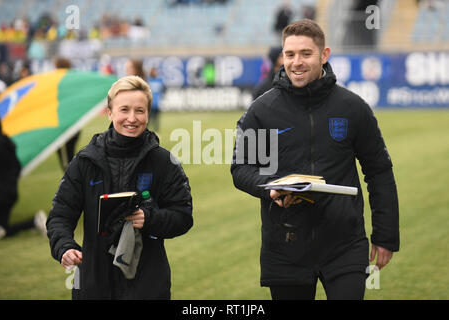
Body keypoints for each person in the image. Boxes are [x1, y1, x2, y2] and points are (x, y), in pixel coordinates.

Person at [231, 19, 399, 300]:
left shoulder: (352, 107)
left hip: (344, 243)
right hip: (284, 244)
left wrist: (385, 236)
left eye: (306, 54)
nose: (296, 62)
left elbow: (379, 171)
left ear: (324, 55)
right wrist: (271, 187)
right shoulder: (262, 111)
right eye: (290, 54)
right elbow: (241, 168)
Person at [46, 75, 193, 299]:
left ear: (148, 114)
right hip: (94, 284)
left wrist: (150, 219)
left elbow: (183, 216)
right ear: (110, 112)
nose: (132, 118)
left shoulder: (164, 162)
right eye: (124, 109)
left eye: (140, 111)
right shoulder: (85, 161)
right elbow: (60, 215)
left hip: (148, 285)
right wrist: (64, 247)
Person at [0, 118, 47, 240]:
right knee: (3, 228)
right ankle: (33, 222)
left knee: (2, 230)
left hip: (3, 195)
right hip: (10, 193)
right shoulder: (8, 142)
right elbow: (17, 168)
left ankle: (34, 222)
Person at [54, 57, 81, 172]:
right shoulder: (74, 81)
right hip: (74, 123)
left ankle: (73, 183)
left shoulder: (60, 83)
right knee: (68, 156)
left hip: (65, 125)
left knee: (66, 159)